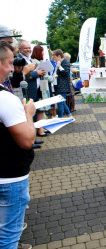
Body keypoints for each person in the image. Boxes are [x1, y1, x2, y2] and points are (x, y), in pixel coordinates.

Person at [0, 41, 36, 249]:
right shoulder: (5, 99)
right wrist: (29, 115)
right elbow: (27, 140)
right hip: (10, 178)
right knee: (8, 236)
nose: (11, 70)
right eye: (9, 63)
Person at [52, 49, 72, 118]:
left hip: (63, 86)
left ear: (59, 56)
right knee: (62, 102)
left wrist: (59, 66)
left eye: (55, 57)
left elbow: (66, 73)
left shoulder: (65, 62)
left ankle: (59, 118)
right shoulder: (58, 62)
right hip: (58, 85)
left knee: (60, 102)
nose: (54, 59)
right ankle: (69, 115)